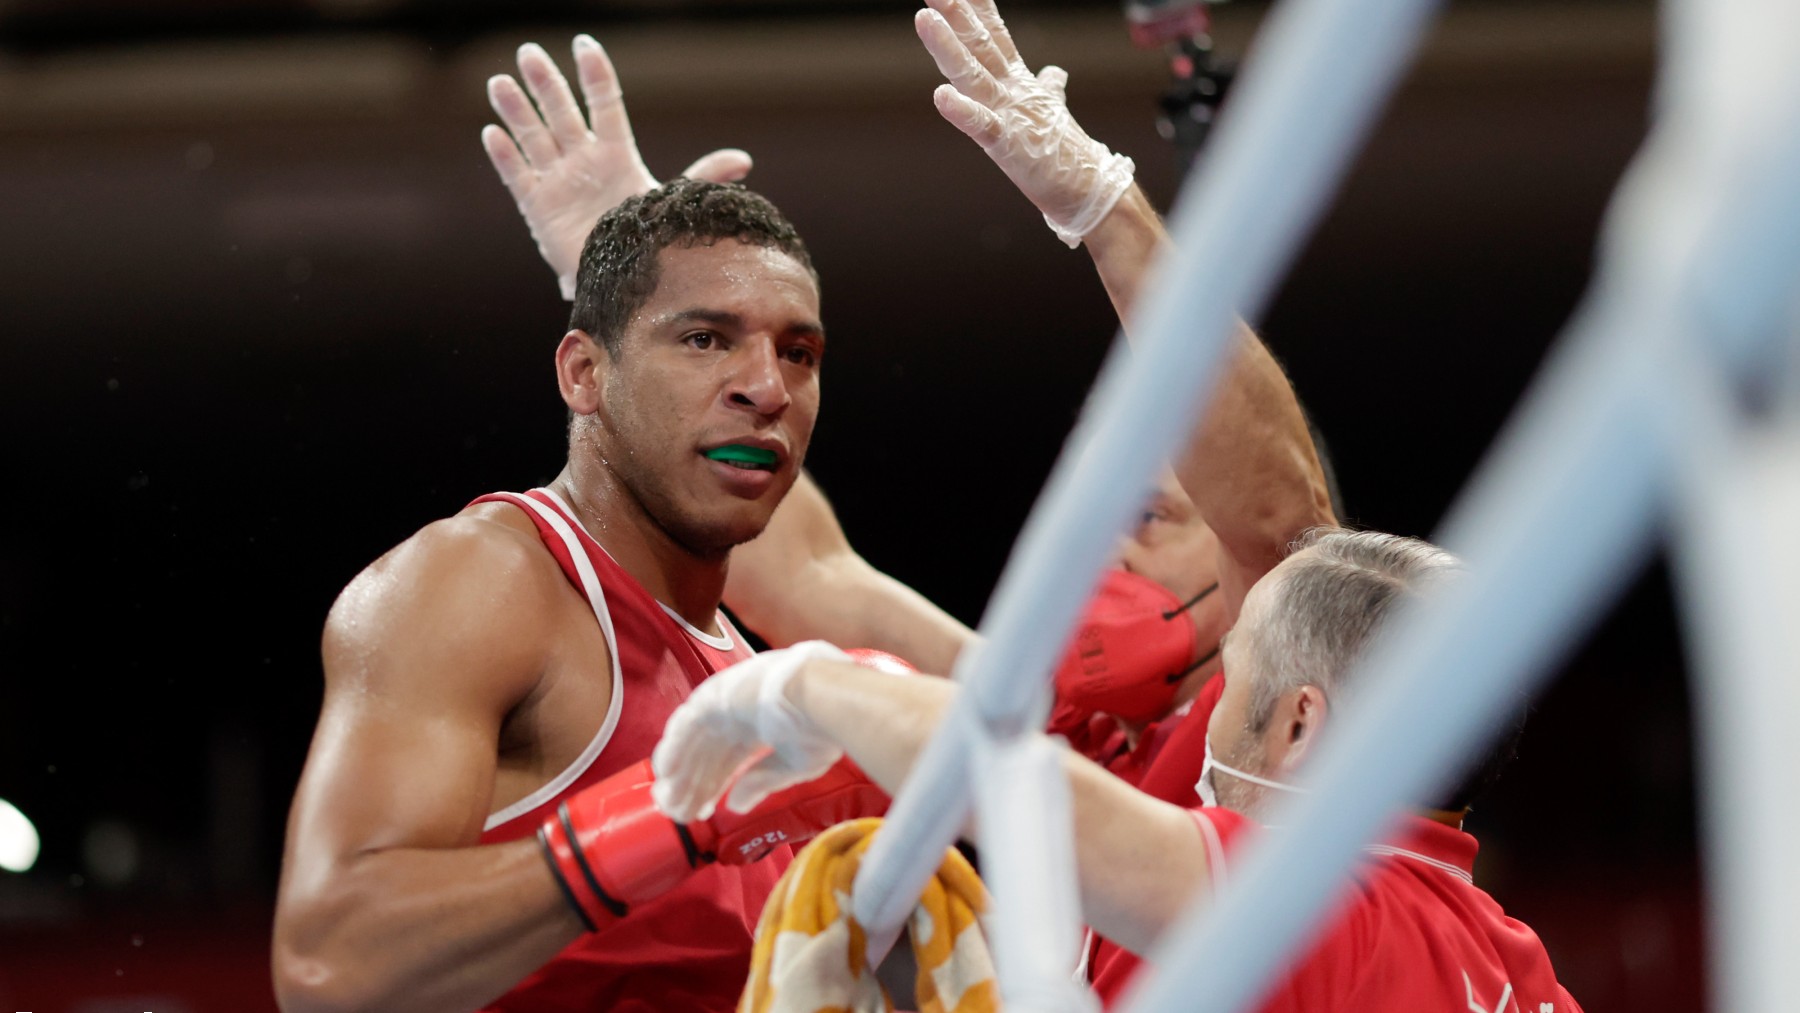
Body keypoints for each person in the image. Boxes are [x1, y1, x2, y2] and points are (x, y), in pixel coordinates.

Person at [479, 0, 1335, 806]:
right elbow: (805, 575)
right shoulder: (1059, 727)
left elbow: (1281, 526)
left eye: (1149, 517)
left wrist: (1104, 206)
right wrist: (629, 295)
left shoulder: (1294, 721)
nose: (1105, 551)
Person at [271, 121, 899, 1013]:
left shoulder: (753, 683)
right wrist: (673, 816)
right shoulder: (483, 579)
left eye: (798, 353)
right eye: (706, 339)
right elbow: (330, 967)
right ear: (583, 375)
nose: (767, 386)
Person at [648, 527, 1583, 1011]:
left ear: (1301, 724)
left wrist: (810, 684)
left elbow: (1016, 785)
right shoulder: (1527, 973)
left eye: (1234, 680)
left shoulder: (1323, 901)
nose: (1207, 711)